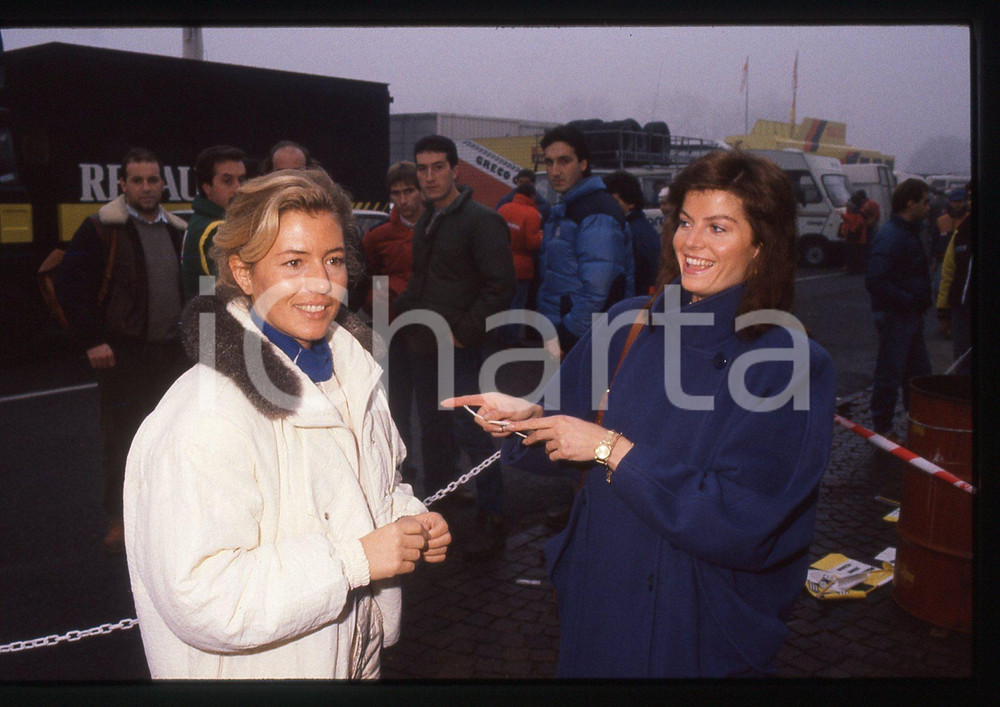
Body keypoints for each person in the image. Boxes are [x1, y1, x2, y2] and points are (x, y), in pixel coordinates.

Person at [446, 149, 836, 678]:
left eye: (718, 228)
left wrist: (612, 450)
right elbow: (569, 434)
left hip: (692, 622)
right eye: (685, 222)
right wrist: (523, 418)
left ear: (763, 246)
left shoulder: (787, 362)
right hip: (598, 599)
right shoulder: (628, 322)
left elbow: (742, 519)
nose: (692, 243)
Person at [123, 169, 450, 679]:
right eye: (293, 262)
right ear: (244, 273)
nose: (321, 282)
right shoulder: (205, 414)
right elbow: (202, 596)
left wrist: (407, 517)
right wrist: (355, 560)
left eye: (334, 260)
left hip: (351, 659)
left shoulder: (354, 375)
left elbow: (373, 482)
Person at [54, 148, 189, 554]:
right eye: (137, 181)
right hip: (125, 355)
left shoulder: (177, 230)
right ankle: (119, 518)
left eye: (153, 180)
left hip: (173, 354)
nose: (146, 188)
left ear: (164, 184)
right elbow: (69, 287)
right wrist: (93, 339)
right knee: (122, 438)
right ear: (122, 185)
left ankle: (168, 518)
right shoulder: (101, 229)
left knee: (174, 437)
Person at [393, 135, 516, 560]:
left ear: (455, 170)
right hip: (423, 343)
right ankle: (443, 505)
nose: (429, 177)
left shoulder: (480, 220)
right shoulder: (429, 219)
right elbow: (422, 279)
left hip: (459, 346)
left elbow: (501, 284)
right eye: (422, 169)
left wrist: (463, 331)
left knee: (471, 429)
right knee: (433, 429)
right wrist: (401, 310)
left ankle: (493, 512)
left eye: (437, 167)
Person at [536, 124, 633, 360]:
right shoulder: (569, 207)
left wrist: (567, 335)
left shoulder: (596, 212)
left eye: (564, 161)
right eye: (549, 162)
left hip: (585, 340)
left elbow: (598, 290)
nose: (555, 171)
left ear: (583, 164)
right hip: (570, 334)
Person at [363, 161, 424, 480]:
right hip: (393, 333)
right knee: (395, 406)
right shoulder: (378, 236)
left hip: (433, 332)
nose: (403, 199)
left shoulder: (435, 227)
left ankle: (449, 475)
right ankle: (402, 470)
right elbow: (366, 278)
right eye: (396, 193)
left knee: (439, 410)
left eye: (409, 191)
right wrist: (377, 305)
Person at [865, 178, 933, 439]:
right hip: (896, 316)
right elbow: (875, 280)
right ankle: (882, 428)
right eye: (925, 202)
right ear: (910, 203)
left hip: (909, 315)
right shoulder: (892, 235)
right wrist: (908, 300)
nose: (929, 207)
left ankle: (918, 425)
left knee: (917, 375)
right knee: (890, 374)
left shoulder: (909, 231)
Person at [180, 145, 248, 300]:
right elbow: (238, 290)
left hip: (206, 318)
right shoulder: (215, 230)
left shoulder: (203, 221)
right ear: (207, 188)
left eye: (242, 179)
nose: (238, 188)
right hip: (211, 319)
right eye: (227, 181)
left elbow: (206, 285)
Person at [496, 181, 544, 345]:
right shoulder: (533, 214)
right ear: (532, 196)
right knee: (517, 303)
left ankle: (500, 334)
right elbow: (532, 243)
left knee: (503, 301)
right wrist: (542, 236)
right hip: (522, 267)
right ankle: (513, 338)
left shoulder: (503, 208)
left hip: (502, 263)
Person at [603, 169, 662, 295]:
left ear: (630, 202)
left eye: (614, 201)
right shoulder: (641, 227)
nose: (608, 206)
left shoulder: (631, 233)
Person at [936, 183, 972, 374]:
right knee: (962, 362)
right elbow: (948, 273)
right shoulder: (961, 231)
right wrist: (943, 310)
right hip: (962, 307)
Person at [839, 192, 868, 274]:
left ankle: (855, 268)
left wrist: (844, 216)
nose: (849, 203)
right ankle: (853, 268)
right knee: (854, 253)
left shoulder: (857, 213)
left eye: (851, 202)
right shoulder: (856, 212)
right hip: (855, 236)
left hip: (856, 237)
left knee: (855, 253)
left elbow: (856, 223)